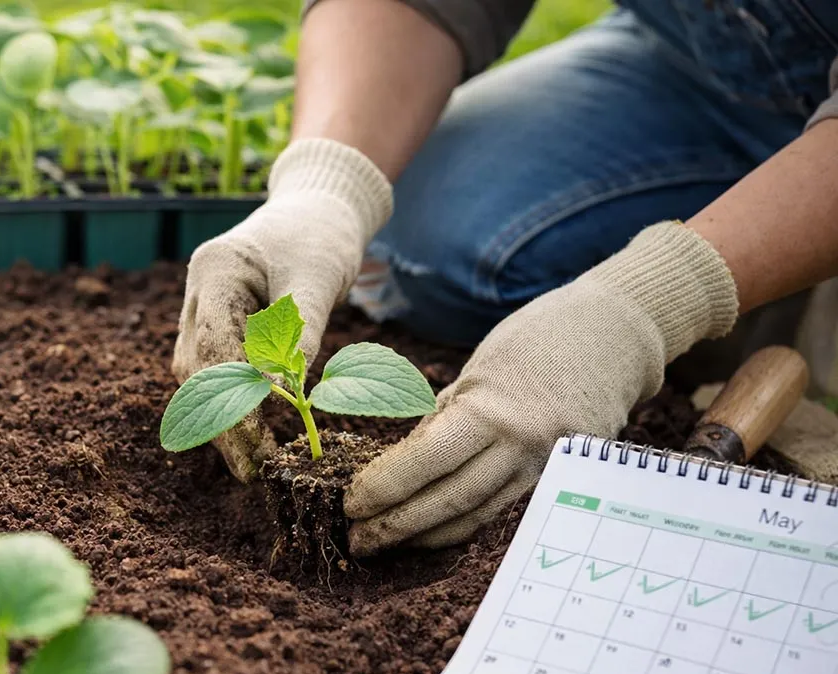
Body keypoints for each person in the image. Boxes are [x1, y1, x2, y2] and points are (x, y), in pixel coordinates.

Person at [171, 0, 838, 556]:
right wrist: (324, 189)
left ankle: (773, 278)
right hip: (694, 61)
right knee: (428, 233)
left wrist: (645, 307)